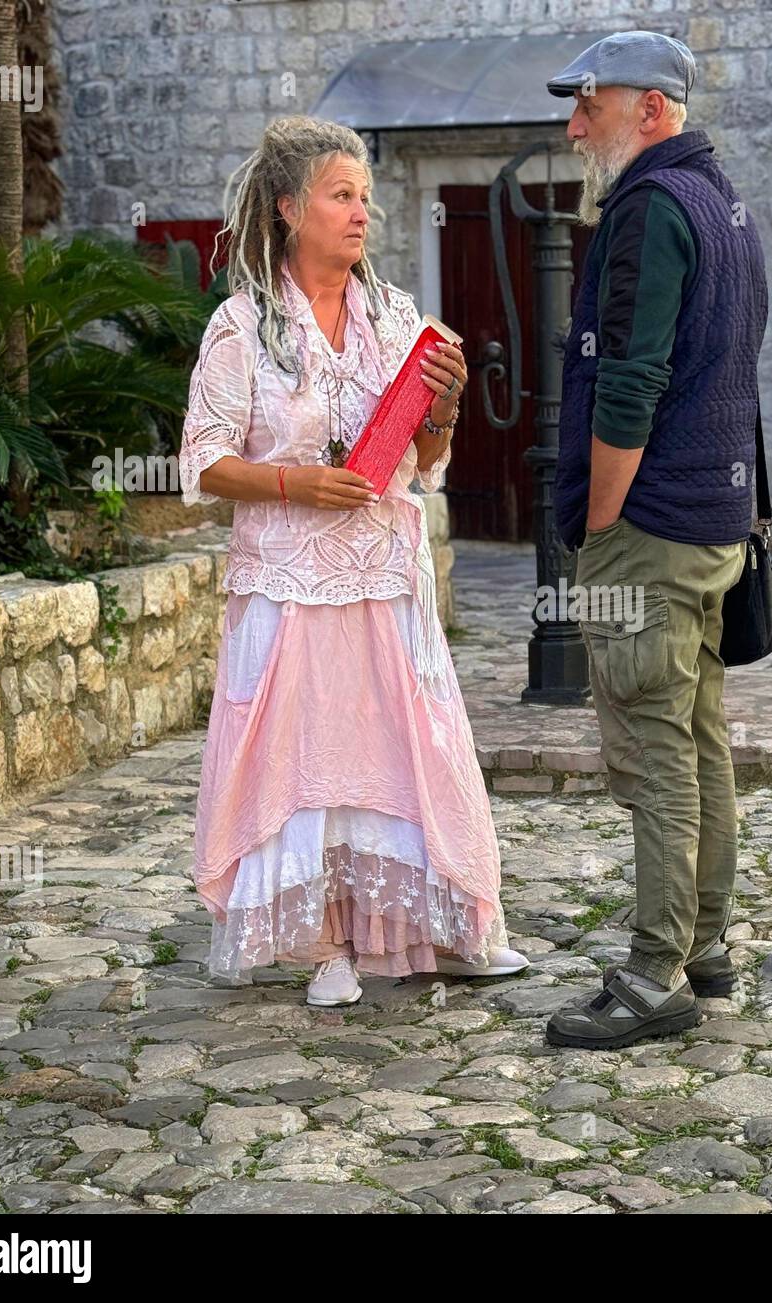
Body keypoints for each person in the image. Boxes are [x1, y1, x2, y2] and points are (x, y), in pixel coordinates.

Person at [179, 115, 528, 1006]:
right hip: (290, 581)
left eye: (365, 197)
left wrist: (444, 406)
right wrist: (297, 484)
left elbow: (428, 459)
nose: (360, 212)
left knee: (414, 750)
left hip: (383, 572)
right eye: (341, 196)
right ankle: (327, 943)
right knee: (303, 761)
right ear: (292, 208)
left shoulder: (396, 317)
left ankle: (451, 925)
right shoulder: (240, 327)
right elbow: (202, 463)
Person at [542, 34, 768, 1049]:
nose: (573, 123)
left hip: (649, 525)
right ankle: (704, 944)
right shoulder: (726, 204)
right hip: (715, 521)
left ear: (653, 110)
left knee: (654, 748)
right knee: (700, 737)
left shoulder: (646, 209)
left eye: (589, 104)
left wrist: (597, 527)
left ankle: (653, 974)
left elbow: (630, 379)